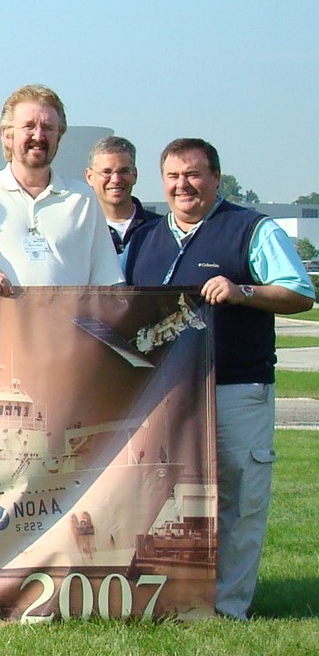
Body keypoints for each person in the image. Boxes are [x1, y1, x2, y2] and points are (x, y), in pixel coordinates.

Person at [122, 138, 315, 619]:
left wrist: (242, 289)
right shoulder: (145, 238)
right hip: (164, 393)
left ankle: (228, 608)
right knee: (158, 501)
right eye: (172, 176)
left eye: (193, 174)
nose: (182, 185)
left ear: (215, 177)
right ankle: (167, 603)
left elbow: (298, 293)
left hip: (235, 388)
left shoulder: (251, 229)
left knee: (238, 498)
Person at [0, 85, 121, 294]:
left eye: (47, 127)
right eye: (29, 126)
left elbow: (107, 280)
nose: (39, 136)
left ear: (59, 136)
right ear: (7, 135)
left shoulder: (82, 199)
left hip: (66, 325)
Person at [86, 135, 156, 254]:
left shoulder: (159, 228)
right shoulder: (78, 230)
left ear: (135, 175)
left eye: (124, 171)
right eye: (107, 172)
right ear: (90, 177)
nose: (116, 179)